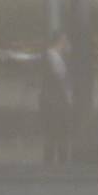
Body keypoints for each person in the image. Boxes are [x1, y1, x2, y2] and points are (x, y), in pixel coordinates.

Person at [40, 32, 75, 166]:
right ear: (60, 41)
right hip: (54, 103)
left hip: (56, 101)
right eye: (65, 40)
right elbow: (59, 79)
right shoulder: (51, 57)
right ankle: (56, 163)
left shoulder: (58, 58)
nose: (67, 44)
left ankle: (58, 161)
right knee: (56, 133)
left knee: (57, 134)